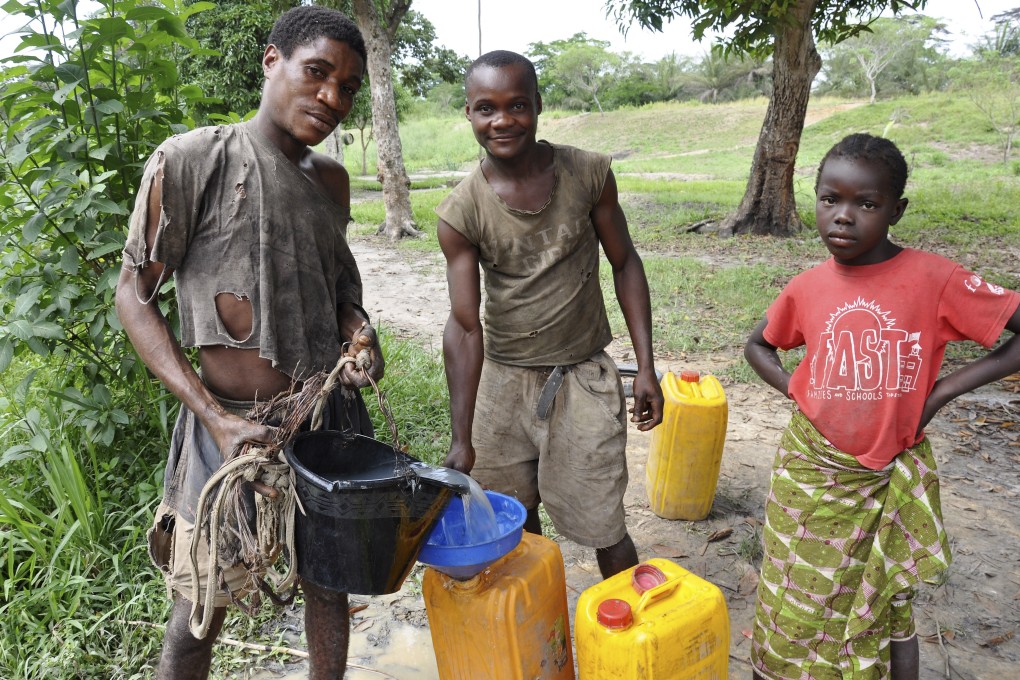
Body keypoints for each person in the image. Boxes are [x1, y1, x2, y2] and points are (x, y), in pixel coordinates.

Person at [114, 7, 382, 679]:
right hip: (226, 433)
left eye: (348, 87)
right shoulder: (193, 159)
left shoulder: (331, 182)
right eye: (316, 72)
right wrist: (216, 418)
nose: (331, 97)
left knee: (330, 587)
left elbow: (340, 294)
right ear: (272, 62)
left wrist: (360, 336)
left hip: (324, 425)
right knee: (197, 611)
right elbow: (133, 296)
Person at [744, 133, 1020, 680]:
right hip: (810, 474)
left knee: (886, 600)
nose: (843, 218)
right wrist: (795, 389)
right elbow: (759, 345)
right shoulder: (807, 286)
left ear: (897, 209)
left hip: (885, 475)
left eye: (865, 204)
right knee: (792, 591)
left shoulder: (936, 280)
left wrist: (939, 394)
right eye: (830, 199)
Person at [436, 50, 664, 580]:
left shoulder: (587, 173)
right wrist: (461, 435)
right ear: (468, 114)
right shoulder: (461, 211)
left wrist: (646, 368)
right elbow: (466, 325)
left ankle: (631, 646)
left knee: (605, 525)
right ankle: (537, 635)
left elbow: (625, 263)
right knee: (510, 524)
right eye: (486, 109)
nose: (502, 120)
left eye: (517, 105)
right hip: (503, 382)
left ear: (538, 106)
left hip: (582, 375)